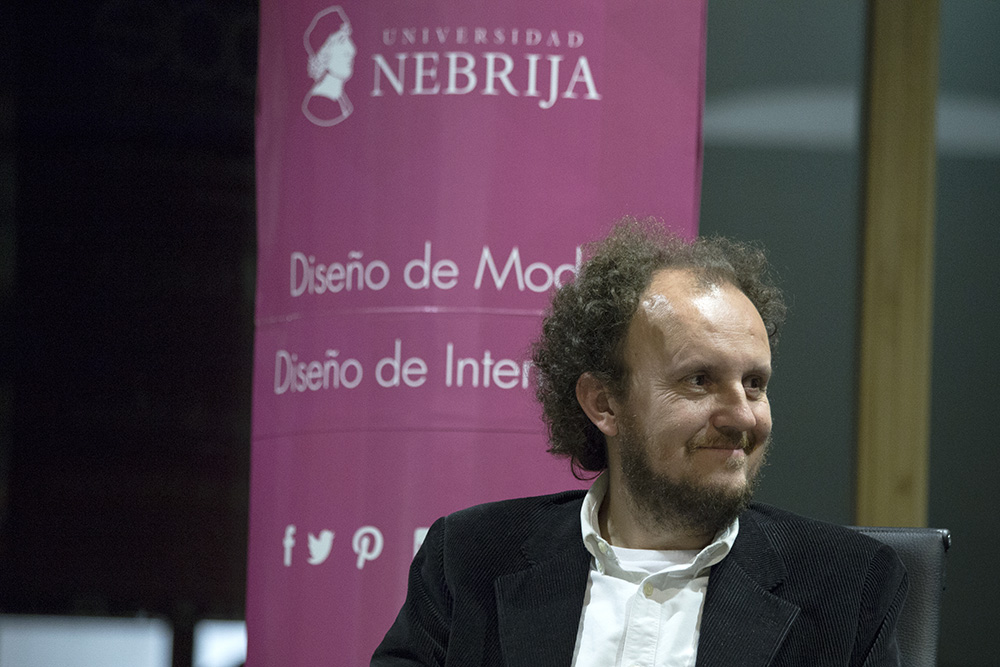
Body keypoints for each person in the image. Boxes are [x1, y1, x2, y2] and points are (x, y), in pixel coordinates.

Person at [372, 218, 907, 666]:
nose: (743, 415)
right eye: (699, 380)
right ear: (604, 403)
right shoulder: (469, 558)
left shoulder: (849, 587)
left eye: (754, 383)